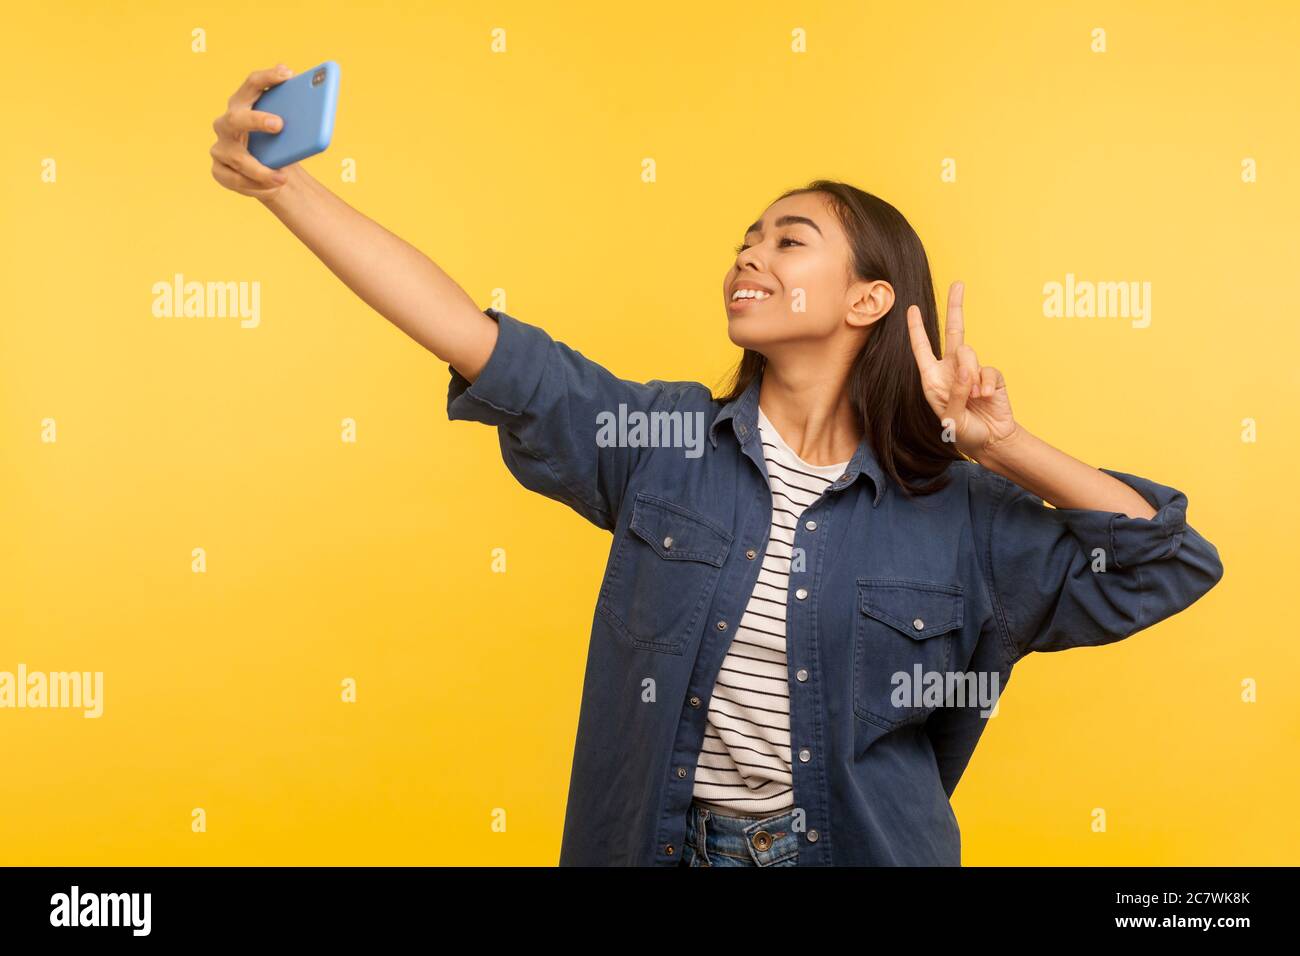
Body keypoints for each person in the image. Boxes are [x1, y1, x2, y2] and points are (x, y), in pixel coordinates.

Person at [210, 65, 1225, 867]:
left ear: (868, 300)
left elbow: (1163, 559)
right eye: (746, 239)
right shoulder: (663, 444)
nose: (750, 255)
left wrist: (1000, 443)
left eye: (789, 240)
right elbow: (475, 338)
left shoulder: (955, 513)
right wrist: (286, 188)